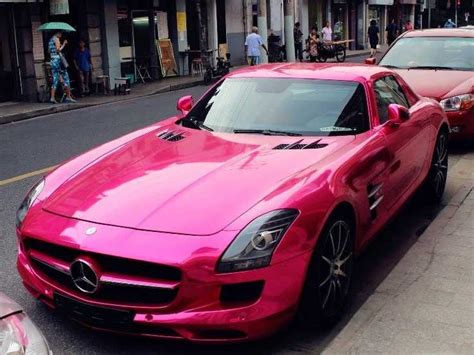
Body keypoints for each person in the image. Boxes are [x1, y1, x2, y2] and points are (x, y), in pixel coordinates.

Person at [48, 31, 75, 103]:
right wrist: (63, 44)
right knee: (66, 78)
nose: (61, 35)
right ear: (57, 33)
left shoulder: (50, 40)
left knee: (55, 79)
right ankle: (68, 96)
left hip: (52, 60)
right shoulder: (56, 39)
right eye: (60, 33)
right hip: (58, 60)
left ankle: (52, 97)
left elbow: (49, 51)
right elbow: (58, 50)